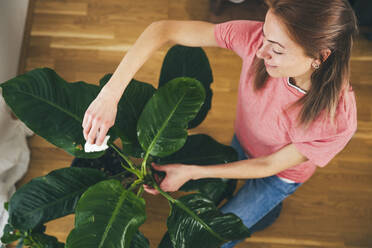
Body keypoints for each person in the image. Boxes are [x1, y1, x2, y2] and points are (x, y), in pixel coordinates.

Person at [82, 0, 358, 247]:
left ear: (320, 58)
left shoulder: (337, 119)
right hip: (243, 140)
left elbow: (268, 166)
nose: (260, 52)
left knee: (215, 237)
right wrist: (109, 95)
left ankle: (268, 209)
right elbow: (161, 29)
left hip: (278, 175)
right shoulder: (254, 41)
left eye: (277, 49)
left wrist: (193, 171)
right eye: (264, 34)